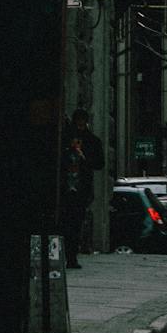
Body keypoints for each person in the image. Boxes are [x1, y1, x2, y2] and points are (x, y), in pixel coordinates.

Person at [60, 107, 103, 268]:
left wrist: (85, 158)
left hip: (80, 189)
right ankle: (67, 256)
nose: (80, 125)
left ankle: (71, 257)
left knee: (75, 223)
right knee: (66, 223)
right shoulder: (65, 138)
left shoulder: (92, 141)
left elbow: (99, 163)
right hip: (65, 188)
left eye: (82, 122)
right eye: (77, 122)